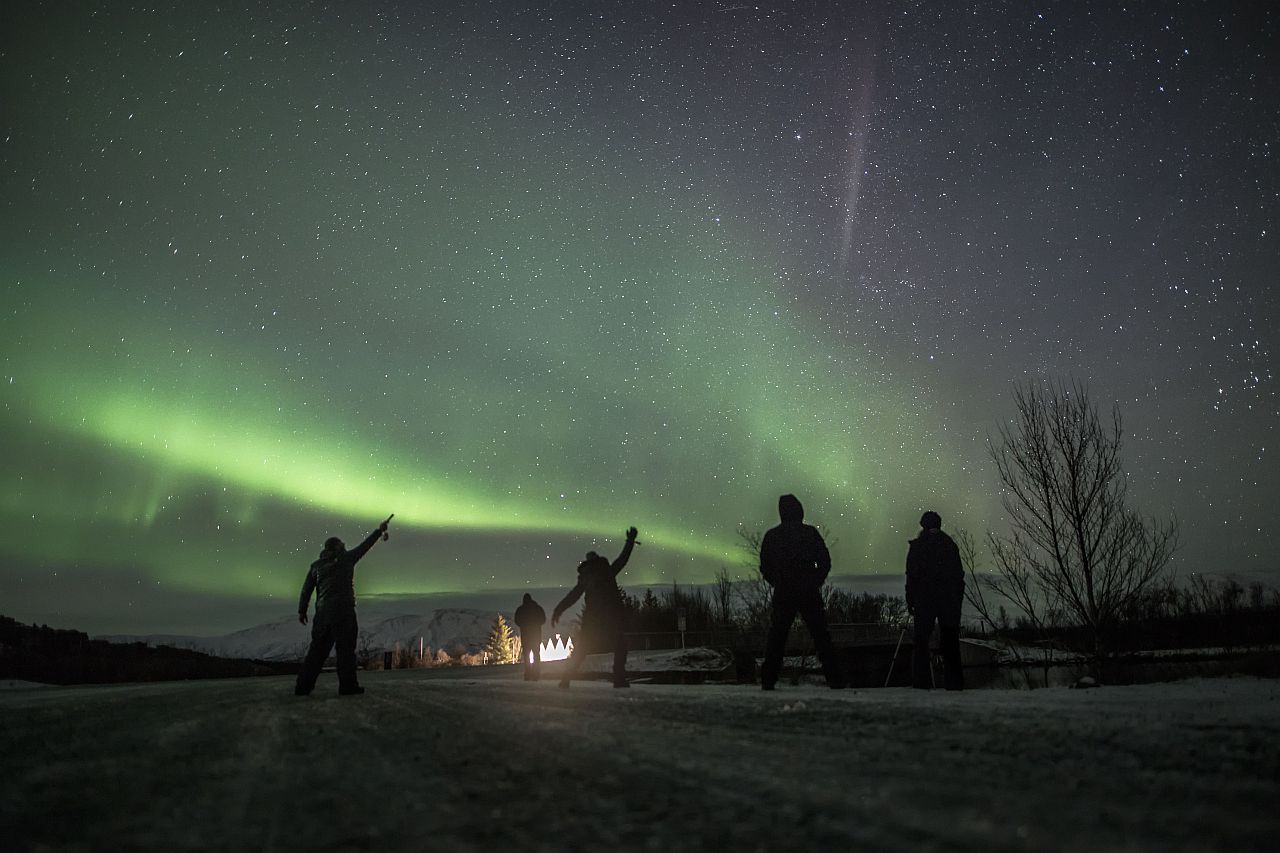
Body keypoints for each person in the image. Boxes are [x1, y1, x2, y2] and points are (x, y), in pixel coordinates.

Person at [294, 515, 393, 696]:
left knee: (316, 653)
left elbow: (306, 590)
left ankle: (303, 687)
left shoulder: (315, 566)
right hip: (344, 613)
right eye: (342, 545)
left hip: (322, 616)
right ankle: (348, 686)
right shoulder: (346, 559)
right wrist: (379, 531)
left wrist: (302, 610)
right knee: (346, 651)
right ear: (338, 547)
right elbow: (365, 546)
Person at [759, 495, 844, 690]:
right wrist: (815, 581)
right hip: (808, 591)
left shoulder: (773, 536)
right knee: (821, 637)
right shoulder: (809, 534)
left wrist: (778, 582)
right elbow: (825, 561)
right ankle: (835, 679)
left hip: (785, 592)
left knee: (777, 637)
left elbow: (765, 565)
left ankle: (768, 679)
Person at [551, 526, 638, 688]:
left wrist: (559, 609)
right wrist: (630, 541)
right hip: (611, 616)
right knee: (619, 645)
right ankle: (618, 678)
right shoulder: (607, 571)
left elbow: (573, 596)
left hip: (592, 618)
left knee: (581, 650)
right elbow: (623, 559)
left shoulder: (585, 577)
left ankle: (566, 678)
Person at [905, 511, 965, 690]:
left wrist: (911, 599)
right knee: (950, 641)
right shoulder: (950, 545)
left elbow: (911, 576)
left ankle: (922, 683)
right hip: (948, 600)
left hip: (925, 600)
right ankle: (954, 684)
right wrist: (958, 600)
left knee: (921, 641)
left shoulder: (918, 546)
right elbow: (958, 576)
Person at [513, 593, 547, 681]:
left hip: (525, 635)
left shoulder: (521, 609)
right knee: (536, 654)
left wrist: (523, 625)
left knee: (527, 656)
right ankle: (536, 674)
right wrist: (536, 624)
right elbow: (543, 620)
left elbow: (517, 620)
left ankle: (528, 674)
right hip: (536, 635)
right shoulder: (537, 608)